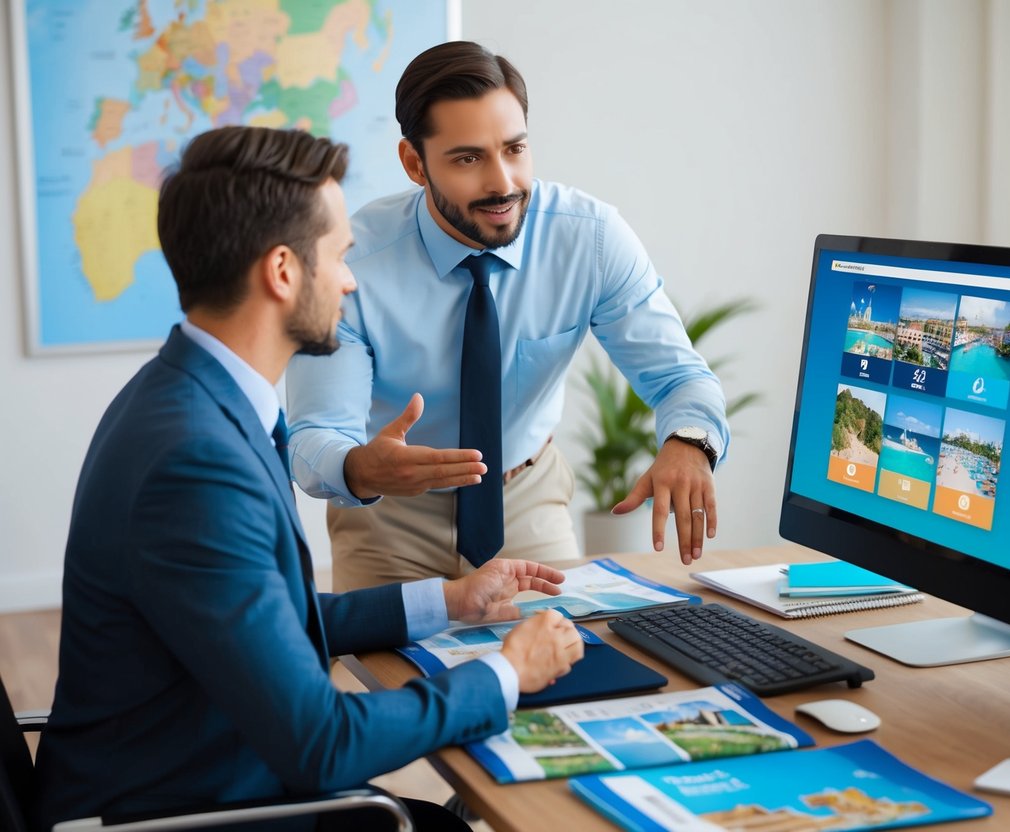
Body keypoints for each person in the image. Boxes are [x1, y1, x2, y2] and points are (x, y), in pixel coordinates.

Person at [34, 125, 584, 832]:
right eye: (340, 257)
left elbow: (267, 622)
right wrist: (507, 673)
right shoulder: (194, 462)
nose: (350, 281)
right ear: (283, 271)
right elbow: (322, 743)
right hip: (189, 814)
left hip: (211, 784)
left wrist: (448, 601)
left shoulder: (192, 397)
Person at [286, 40, 729, 590]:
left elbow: (681, 377)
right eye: (468, 158)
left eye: (514, 149)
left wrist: (690, 443)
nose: (502, 182)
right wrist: (357, 468)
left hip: (525, 496)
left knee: (570, 662)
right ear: (413, 164)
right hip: (389, 517)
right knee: (386, 674)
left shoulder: (588, 239)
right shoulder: (352, 264)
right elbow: (314, 435)